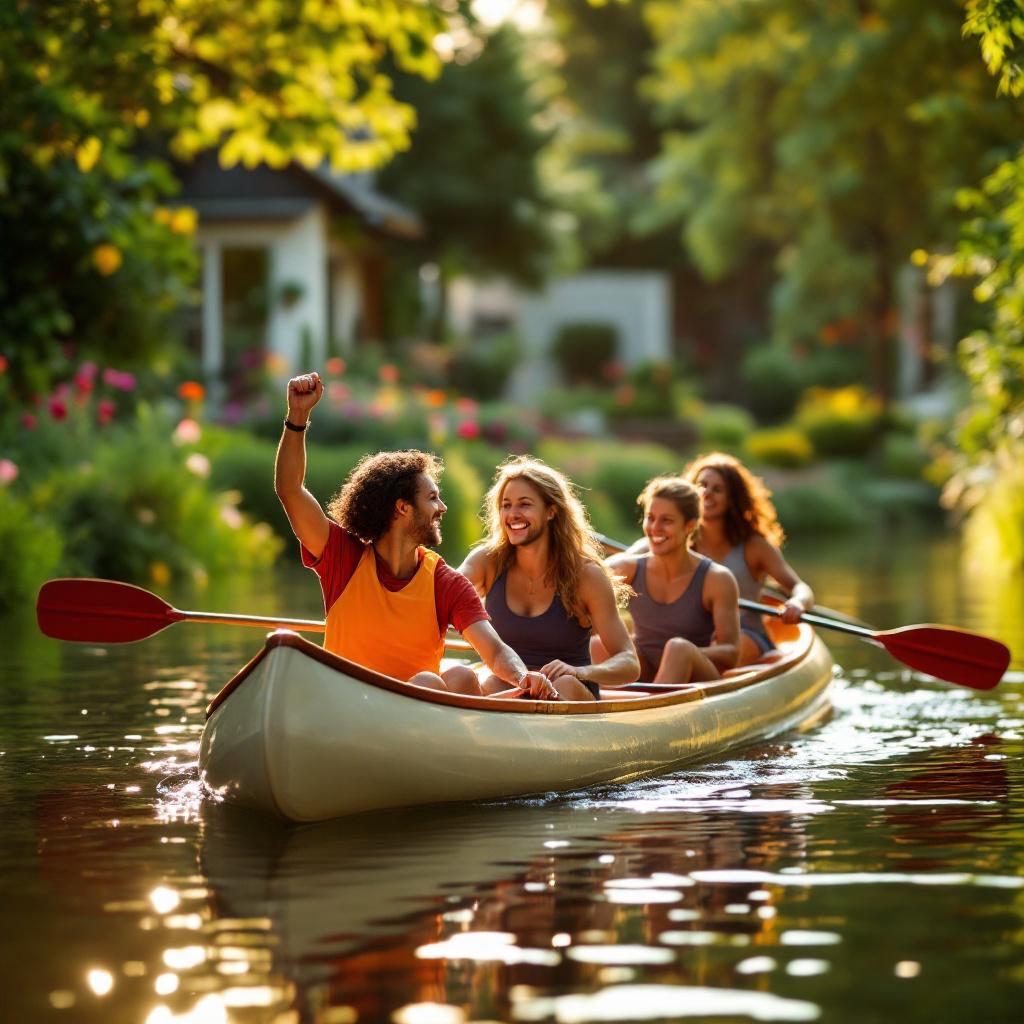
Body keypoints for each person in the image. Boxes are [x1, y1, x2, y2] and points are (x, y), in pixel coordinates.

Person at [274, 371, 556, 699]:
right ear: (402, 508)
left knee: (459, 677)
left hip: (416, 715)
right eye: (433, 498)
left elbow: (494, 650)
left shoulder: (445, 583)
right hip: (347, 705)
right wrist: (297, 417)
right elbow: (289, 489)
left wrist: (523, 676)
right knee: (432, 682)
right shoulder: (343, 556)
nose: (443, 507)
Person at [459, 456, 640, 701]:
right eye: (506, 505)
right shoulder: (488, 560)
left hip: (569, 693)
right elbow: (448, 587)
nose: (512, 514)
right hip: (512, 685)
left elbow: (629, 662)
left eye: (524, 505)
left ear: (551, 512)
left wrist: (580, 671)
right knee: (470, 676)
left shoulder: (587, 575)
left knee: (563, 683)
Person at [601, 476, 740, 684]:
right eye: (650, 518)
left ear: (689, 526)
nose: (655, 528)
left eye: (666, 520)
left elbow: (731, 653)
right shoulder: (627, 567)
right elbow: (585, 577)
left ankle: (654, 701)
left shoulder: (717, 579)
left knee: (678, 648)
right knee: (597, 644)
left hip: (697, 678)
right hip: (646, 667)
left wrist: (683, 654)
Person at [683, 452, 814, 663]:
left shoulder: (754, 546)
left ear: (732, 499)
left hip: (746, 635)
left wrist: (797, 603)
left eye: (717, 489)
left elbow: (800, 587)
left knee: (711, 651)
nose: (706, 493)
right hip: (696, 636)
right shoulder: (681, 542)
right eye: (701, 485)